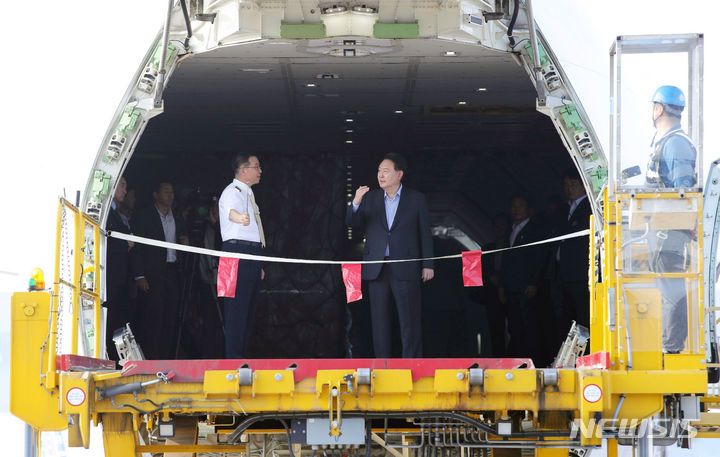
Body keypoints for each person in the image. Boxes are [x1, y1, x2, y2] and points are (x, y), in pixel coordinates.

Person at [346, 153, 434, 358]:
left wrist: (428, 264)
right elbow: (352, 224)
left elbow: (425, 233)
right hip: (377, 268)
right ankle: (382, 366)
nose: (380, 175)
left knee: (409, 320)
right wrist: (356, 202)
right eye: (378, 171)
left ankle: (412, 364)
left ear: (399, 174)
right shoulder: (370, 198)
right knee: (379, 322)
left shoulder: (416, 199)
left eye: (386, 171)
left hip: (406, 266)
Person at [645, 85, 697, 353]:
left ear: (659, 108)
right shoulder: (665, 141)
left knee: (672, 288)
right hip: (662, 229)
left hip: (670, 232)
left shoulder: (675, 143)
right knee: (666, 288)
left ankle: (672, 347)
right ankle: (670, 344)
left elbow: (682, 191)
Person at [131, 181, 189, 360]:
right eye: (166, 191)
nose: (170, 195)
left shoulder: (177, 216)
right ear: (155, 195)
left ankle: (167, 358)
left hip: (172, 271)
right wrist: (139, 275)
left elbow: (183, 238)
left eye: (172, 191)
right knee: (153, 316)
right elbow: (136, 248)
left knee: (170, 316)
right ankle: (151, 358)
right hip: (152, 273)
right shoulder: (143, 216)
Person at [218, 154, 265, 359]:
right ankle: (233, 362)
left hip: (251, 254)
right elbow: (231, 213)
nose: (260, 170)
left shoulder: (248, 194)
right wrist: (240, 218)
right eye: (256, 166)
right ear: (243, 170)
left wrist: (258, 262)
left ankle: (242, 359)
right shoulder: (232, 191)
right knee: (236, 313)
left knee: (248, 312)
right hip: (235, 254)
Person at [499, 195, 543, 360]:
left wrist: (533, 282)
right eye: (513, 206)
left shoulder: (535, 229)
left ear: (528, 209)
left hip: (526, 287)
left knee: (528, 326)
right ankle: (516, 359)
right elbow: (505, 260)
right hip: (511, 287)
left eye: (520, 206)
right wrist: (502, 286)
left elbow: (539, 258)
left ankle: (531, 360)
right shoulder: (511, 230)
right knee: (513, 325)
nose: (516, 210)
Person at [555, 170, 592, 331]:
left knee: (583, 316)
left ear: (584, 186)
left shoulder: (589, 206)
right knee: (568, 317)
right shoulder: (564, 209)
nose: (569, 189)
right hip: (565, 274)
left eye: (573, 185)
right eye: (566, 185)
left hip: (580, 273)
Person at [104, 176, 134, 361]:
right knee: (109, 320)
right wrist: (126, 244)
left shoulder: (116, 213)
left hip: (119, 277)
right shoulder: (108, 214)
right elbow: (107, 241)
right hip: (110, 277)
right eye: (122, 186)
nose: (124, 190)